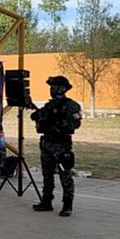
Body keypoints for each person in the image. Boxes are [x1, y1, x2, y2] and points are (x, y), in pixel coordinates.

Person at [30, 75, 82, 217]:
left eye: (54, 87)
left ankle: (67, 205)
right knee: (47, 175)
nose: (51, 90)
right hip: (47, 144)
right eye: (51, 87)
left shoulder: (71, 105)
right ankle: (46, 201)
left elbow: (75, 124)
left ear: (63, 89)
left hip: (61, 145)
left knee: (65, 176)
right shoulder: (49, 105)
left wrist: (58, 123)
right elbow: (38, 116)